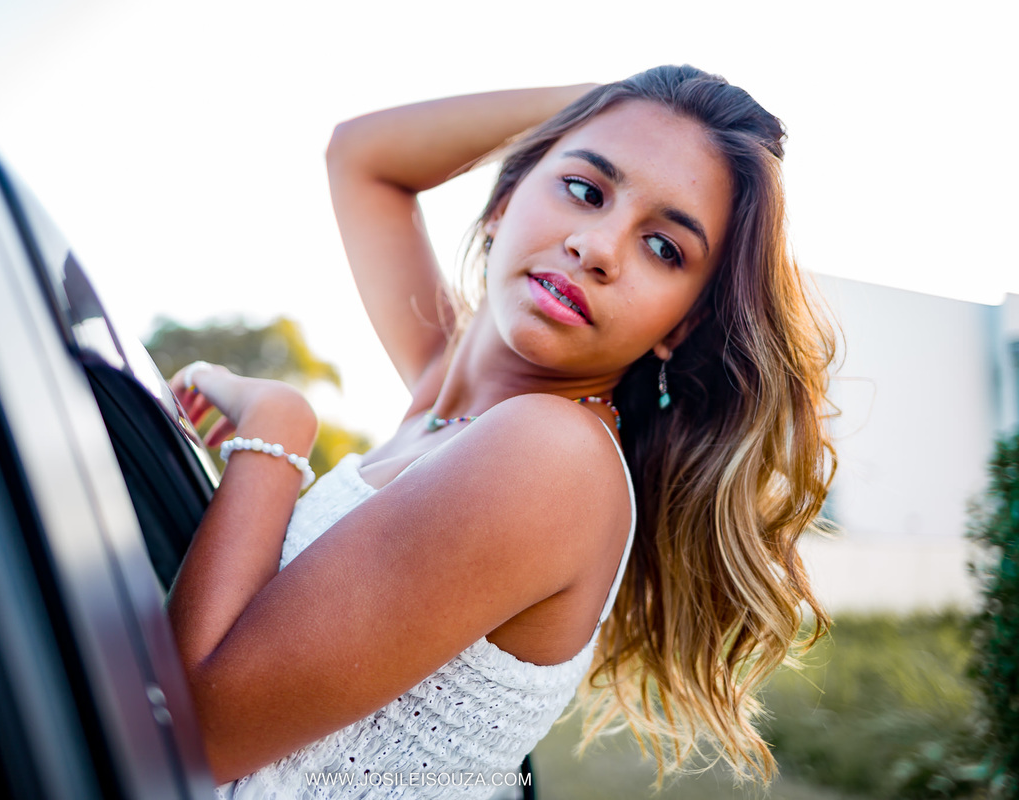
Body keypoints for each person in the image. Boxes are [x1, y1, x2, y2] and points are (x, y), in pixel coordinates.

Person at [166, 65, 835, 798]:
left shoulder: (553, 457)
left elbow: (191, 731)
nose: (599, 247)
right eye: (584, 189)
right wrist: (621, 100)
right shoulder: (441, 399)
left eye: (664, 247)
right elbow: (363, 158)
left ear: (683, 324)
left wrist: (276, 428)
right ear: (503, 200)